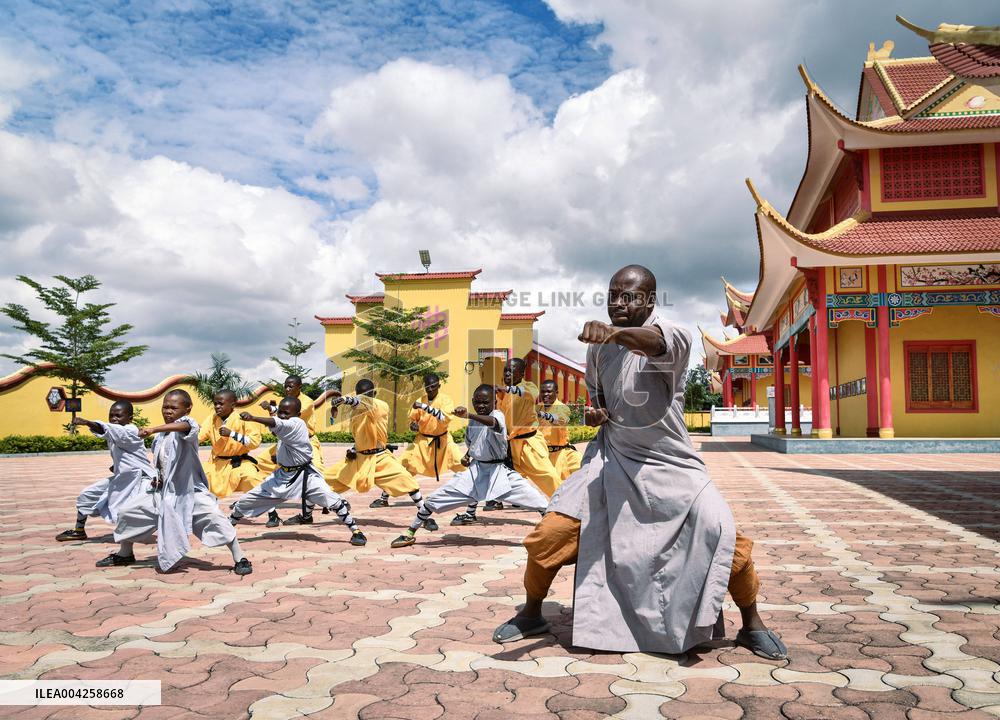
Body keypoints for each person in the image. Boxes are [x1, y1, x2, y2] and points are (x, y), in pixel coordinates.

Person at [492, 264, 787, 660]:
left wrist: (613, 333)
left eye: (628, 297)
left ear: (649, 301)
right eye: (613, 295)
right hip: (610, 459)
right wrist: (596, 413)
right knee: (550, 534)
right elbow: (598, 399)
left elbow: (653, 344)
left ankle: (752, 623)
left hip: (670, 463)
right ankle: (531, 613)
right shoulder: (598, 349)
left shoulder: (674, 335)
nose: (618, 303)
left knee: (718, 529)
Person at [97, 390, 252, 575]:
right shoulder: (160, 437)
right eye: (165, 407)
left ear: (188, 408)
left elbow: (186, 425)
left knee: (214, 518)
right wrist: (158, 479)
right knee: (129, 512)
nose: (168, 411)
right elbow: (163, 464)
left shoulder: (188, 427)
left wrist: (153, 429)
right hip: (164, 492)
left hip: (189, 491)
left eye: (173, 407)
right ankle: (125, 554)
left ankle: (240, 558)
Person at [390, 385, 548, 548]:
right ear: (472, 401)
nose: (481, 406)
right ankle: (410, 532)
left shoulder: (497, 415)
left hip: (499, 473)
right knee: (434, 499)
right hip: (476, 472)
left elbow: (494, 424)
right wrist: (467, 456)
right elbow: (474, 443)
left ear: (494, 402)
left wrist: (468, 415)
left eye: (485, 402)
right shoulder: (473, 421)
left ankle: (554, 533)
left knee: (540, 502)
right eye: (477, 402)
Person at [229, 396, 367, 544]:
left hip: (305, 476)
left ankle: (356, 532)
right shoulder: (286, 425)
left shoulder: (297, 424)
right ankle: (227, 528)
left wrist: (253, 418)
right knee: (247, 500)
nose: (283, 415)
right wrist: (280, 456)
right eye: (281, 412)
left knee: (331, 499)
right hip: (282, 476)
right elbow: (279, 428)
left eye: (287, 413)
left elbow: (277, 423)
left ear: (298, 415)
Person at [454, 358, 562, 522]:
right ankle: (471, 513)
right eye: (505, 370)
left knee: (548, 476)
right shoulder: (499, 395)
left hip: (529, 444)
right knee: (481, 472)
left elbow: (530, 394)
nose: (507, 374)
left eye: (512, 371)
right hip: (507, 446)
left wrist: (505, 388)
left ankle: (567, 506)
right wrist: (470, 452)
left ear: (521, 373)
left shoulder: (529, 387)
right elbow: (490, 422)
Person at [324, 379, 437, 532]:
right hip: (359, 459)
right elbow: (361, 436)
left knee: (407, 480)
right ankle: (310, 514)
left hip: (380, 458)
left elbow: (362, 402)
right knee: (325, 480)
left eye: (367, 395)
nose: (364, 397)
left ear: (374, 394)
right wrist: (353, 449)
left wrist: (343, 399)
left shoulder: (380, 406)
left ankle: (425, 516)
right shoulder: (356, 412)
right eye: (361, 394)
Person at [55, 401, 155, 542]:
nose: (114, 419)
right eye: (111, 415)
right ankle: (79, 530)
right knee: (88, 494)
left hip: (141, 480)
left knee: (138, 509)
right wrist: (116, 466)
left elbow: (104, 428)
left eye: (118, 416)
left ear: (130, 418)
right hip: (122, 478)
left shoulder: (130, 430)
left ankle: (132, 542)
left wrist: (87, 422)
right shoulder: (115, 433)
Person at [371, 373, 465, 508]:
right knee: (401, 466)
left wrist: (423, 406)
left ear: (439, 385)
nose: (430, 389)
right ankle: (384, 498)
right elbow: (413, 421)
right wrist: (413, 426)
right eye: (428, 386)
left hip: (443, 440)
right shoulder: (420, 400)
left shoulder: (446, 400)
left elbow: (444, 417)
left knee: (461, 463)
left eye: (433, 386)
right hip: (422, 441)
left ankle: (482, 496)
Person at [254, 375, 326, 523]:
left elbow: (289, 419)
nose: (287, 389)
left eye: (290, 386)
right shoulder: (285, 401)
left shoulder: (307, 402)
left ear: (299, 387)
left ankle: (315, 510)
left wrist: (271, 409)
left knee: (315, 472)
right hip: (286, 443)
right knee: (257, 464)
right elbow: (279, 423)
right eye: (285, 386)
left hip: (306, 443)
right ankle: (263, 504)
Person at [199, 389, 268, 512]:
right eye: (215, 403)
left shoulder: (243, 419)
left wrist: (232, 434)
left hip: (240, 462)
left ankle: (272, 512)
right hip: (217, 463)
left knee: (252, 478)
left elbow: (254, 442)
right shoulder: (211, 419)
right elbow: (199, 436)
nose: (217, 407)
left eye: (221, 403)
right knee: (198, 476)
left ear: (232, 405)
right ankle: (206, 511)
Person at [536, 379, 582, 481]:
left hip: (561, 454)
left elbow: (561, 420)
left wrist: (544, 415)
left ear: (556, 393)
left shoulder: (563, 408)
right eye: (543, 392)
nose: (545, 394)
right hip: (544, 456)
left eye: (549, 391)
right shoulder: (539, 407)